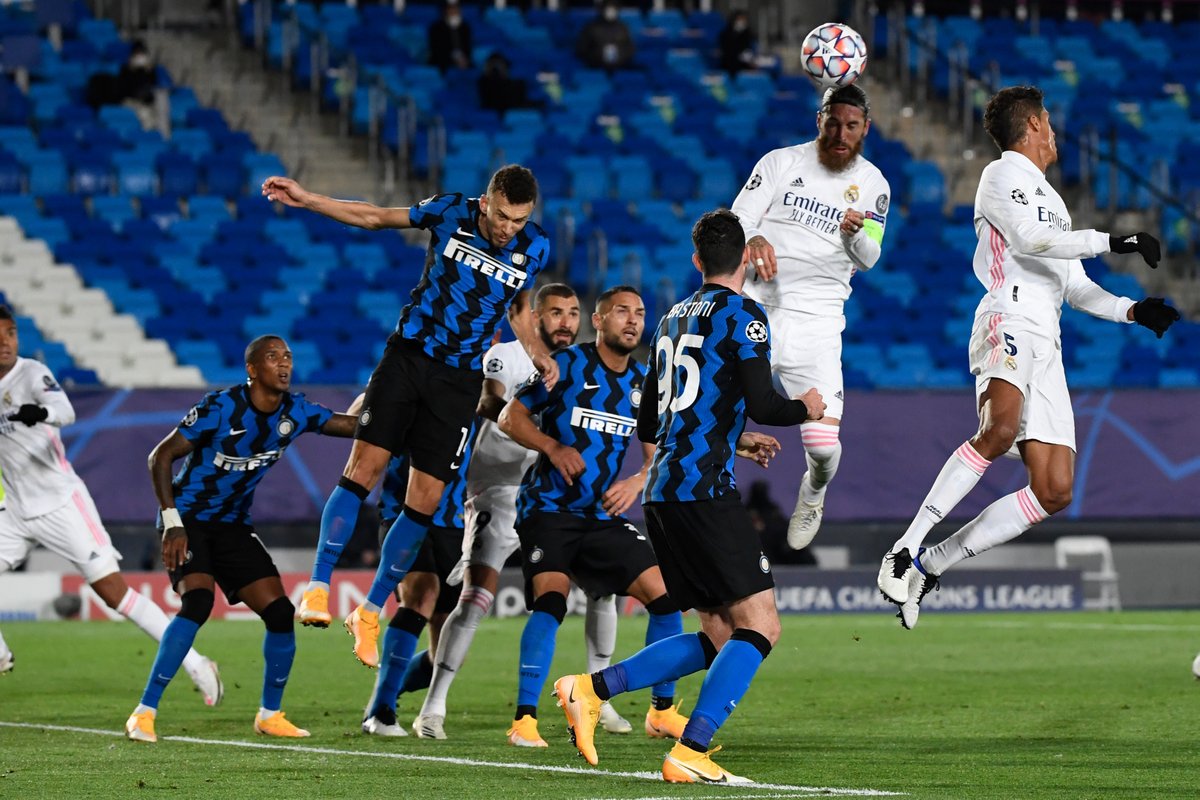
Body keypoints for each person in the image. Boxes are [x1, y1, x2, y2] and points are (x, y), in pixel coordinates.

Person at [875, 86, 1180, 629]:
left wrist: (1133, 311)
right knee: (998, 430)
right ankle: (904, 547)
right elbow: (1030, 240)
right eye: (1050, 122)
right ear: (1035, 124)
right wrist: (1116, 239)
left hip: (1049, 340)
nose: (1055, 132)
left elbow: (1076, 287)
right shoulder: (1001, 176)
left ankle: (932, 564)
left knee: (1055, 488)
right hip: (1008, 316)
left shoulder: (1053, 200)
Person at [553, 209, 825, 784]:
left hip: (663, 492)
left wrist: (732, 437)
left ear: (697, 260)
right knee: (761, 627)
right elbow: (766, 402)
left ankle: (590, 687)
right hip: (705, 491)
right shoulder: (744, 315)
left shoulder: (671, 320)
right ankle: (690, 750)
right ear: (748, 258)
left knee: (720, 633)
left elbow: (650, 420)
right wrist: (808, 407)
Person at [261, 165, 555, 670]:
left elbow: (519, 302)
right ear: (486, 203)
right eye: (503, 215)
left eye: (520, 219)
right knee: (364, 469)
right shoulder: (448, 212)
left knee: (426, 499)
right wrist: (308, 199)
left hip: (459, 379)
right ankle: (316, 587)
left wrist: (534, 350)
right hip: (409, 358)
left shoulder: (536, 247)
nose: (509, 228)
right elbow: (375, 217)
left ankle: (369, 611)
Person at [414, 284, 634, 740]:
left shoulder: (581, 366)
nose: (565, 322)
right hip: (500, 488)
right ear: (534, 318)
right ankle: (433, 706)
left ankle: (599, 699)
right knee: (477, 596)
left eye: (573, 313)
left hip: (558, 496)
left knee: (603, 591)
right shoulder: (508, 356)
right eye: (555, 313)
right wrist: (532, 420)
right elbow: (491, 401)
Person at [123, 335, 358, 743]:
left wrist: (393, 400)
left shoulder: (295, 410)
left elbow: (351, 426)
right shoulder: (220, 407)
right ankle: (144, 713)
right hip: (188, 520)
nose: (284, 363)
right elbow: (159, 457)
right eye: (273, 357)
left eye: (288, 356)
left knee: (281, 613)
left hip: (233, 525)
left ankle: (270, 714)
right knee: (197, 602)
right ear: (252, 369)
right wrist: (172, 521)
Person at [498, 285, 691, 750]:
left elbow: (656, 454)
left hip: (600, 516)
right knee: (552, 602)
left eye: (640, 313)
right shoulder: (566, 367)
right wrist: (553, 446)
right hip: (548, 509)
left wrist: (636, 481)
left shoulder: (645, 383)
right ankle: (525, 719)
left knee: (667, 598)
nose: (632, 320)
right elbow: (510, 417)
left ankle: (661, 712)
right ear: (599, 320)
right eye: (621, 311)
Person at [0, 304, 221, 703]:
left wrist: (39, 412)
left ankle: (197, 662)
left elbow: (65, 411)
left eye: (11, 333)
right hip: (15, 510)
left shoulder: (32, 373)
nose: (5, 342)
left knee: (114, 594)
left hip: (62, 505)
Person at [730, 83, 890, 552]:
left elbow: (869, 258)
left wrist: (852, 237)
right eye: (833, 122)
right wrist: (754, 236)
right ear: (818, 120)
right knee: (715, 420)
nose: (841, 133)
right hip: (755, 313)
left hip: (818, 324)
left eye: (852, 126)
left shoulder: (874, 183)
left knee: (821, 449)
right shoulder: (780, 162)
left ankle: (813, 492)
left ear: (865, 129)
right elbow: (739, 215)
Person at [361, 442, 470, 737]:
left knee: (449, 652)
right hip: (406, 512)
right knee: (422, 594)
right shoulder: (408, 397)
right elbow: (363, 415)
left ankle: (385, 691)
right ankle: (381, 713)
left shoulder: (474, 398)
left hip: (455, 520)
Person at [575, 0, 635, 71]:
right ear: (602, 10)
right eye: (608, 9)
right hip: (595, 67)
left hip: (620, 66)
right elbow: (582, 49)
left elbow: (630, 49)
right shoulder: (591, 28)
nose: (610, 12)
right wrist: (597, 55)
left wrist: (621, 56)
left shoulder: (623, 28)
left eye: (613, 9)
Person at [428, 0, 473, 72]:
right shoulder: (436, 28)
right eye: (450, 8)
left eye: (456, 8)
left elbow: (468, 47)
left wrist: (463, 59)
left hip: (463, 61)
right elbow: (437, 50)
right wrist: (454, 59)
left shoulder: (465, 27)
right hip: (443, 61)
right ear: (445, 10)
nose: (453, 11)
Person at [718, 11, 755, 75]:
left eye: (743, 20)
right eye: (739, 20)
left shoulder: (747, 33)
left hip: (745, 65)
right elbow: (726, 52)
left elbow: (748, 50)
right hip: (730, 65)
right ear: (733, 20)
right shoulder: (725, 34)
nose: (741, 22)